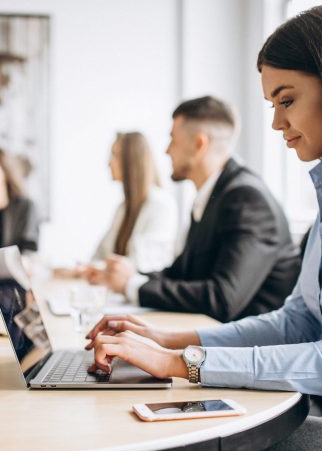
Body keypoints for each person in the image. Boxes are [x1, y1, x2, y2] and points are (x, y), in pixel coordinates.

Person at [86, 4, 322, 451]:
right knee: (184, 441)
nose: (276, 123)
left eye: (286, 100)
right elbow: (299, 320)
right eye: (272, 104)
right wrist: (169, 340)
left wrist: (181, 364)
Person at [102, 96, 300, 321]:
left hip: (253, 347)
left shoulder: (248, 200)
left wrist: (133, 286)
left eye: (172, 139)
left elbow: (223, 299)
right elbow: (180, 274)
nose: (167, 151)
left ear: (199, 144)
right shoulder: (213, 195)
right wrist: (131, 276)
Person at [57, 132, 178, 279]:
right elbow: (100, 254)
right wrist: (78, 270)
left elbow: (140, 265)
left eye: (114, 155)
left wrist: (88, 269)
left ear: (131, 161)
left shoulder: (161, 205)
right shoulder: (123, 208)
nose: (108, 163)